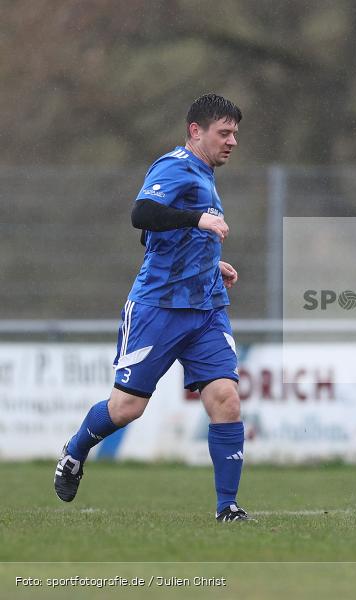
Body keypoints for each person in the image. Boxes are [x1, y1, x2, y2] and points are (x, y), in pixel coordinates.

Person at [54, 93, 252, 522]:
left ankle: (228, 508)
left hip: (205, 309)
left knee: (226, 400)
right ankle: (75, 450)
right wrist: (198, 221)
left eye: (235, 133)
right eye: (224, 132)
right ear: (196, 131)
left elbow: (159, 240)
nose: (232, 141)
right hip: (157, 308)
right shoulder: (174, 166)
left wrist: (210, 263)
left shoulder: (205, 175)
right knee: (127, 407)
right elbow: (142, 214)